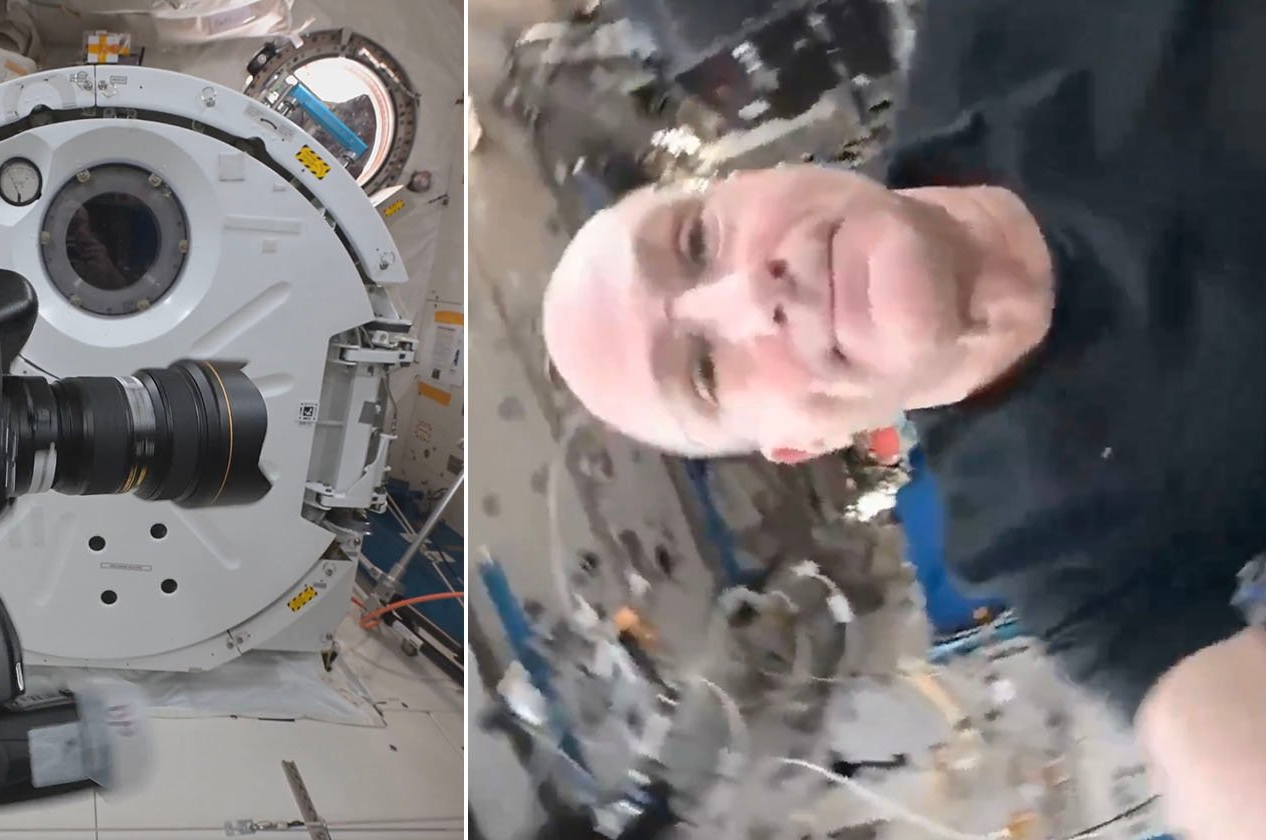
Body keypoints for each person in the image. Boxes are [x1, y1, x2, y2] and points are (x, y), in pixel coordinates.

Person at [540, 2, 1266, 837]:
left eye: (698, 242)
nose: (753, 295)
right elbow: (1212, 742)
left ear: (748, 177)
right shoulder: (1054, 542)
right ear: (801, 443)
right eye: (704, 369)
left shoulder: (1002, 31)